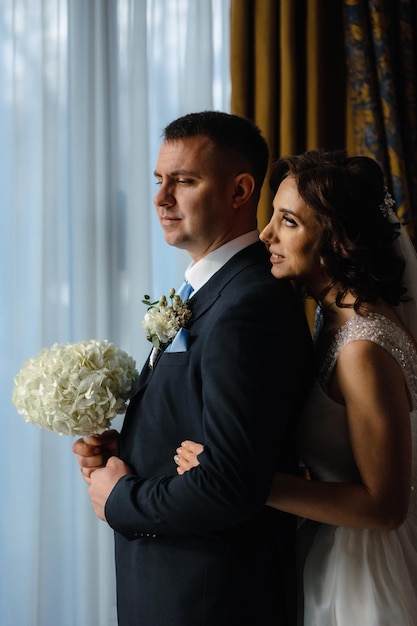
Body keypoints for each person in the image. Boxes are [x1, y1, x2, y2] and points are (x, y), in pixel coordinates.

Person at [72, 111, 314, 626]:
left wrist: (120, 498)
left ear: (239, 191)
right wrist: (132, 448)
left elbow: (230, 484)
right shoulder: (210, 291)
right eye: (159, 180)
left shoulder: (250, 304)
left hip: (209, 597)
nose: (161, 199)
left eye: (183, 181)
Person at [175, 150, 417, 625]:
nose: (266, 234)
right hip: (332, 546)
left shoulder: (362, 347)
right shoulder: (334, 314)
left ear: (335, 237)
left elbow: (386, 507)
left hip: (361, 572)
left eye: (288, 222)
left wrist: (244, 482)